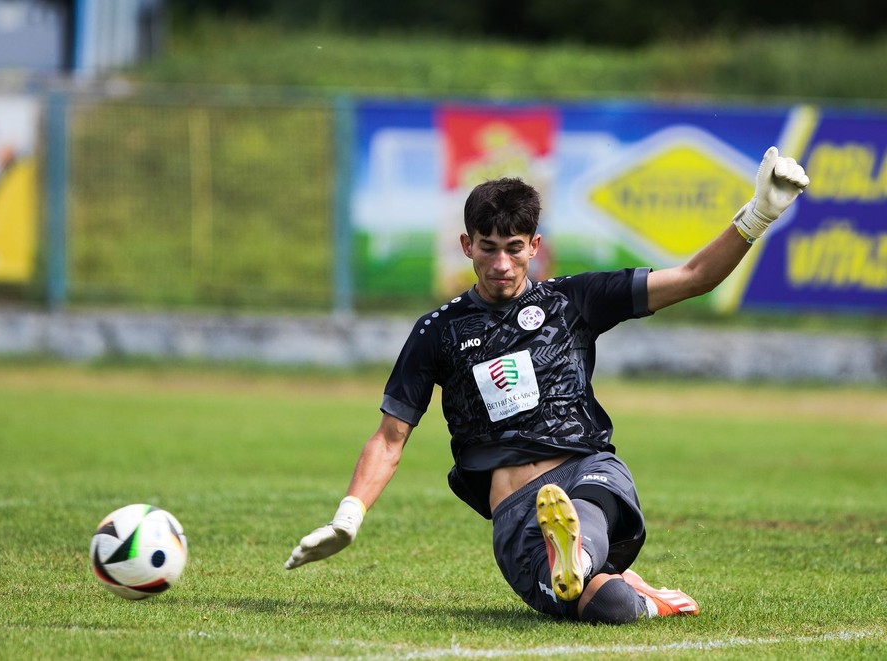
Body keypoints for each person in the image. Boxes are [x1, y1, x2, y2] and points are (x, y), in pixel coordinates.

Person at [285, 147, 810, 624]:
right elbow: (390, 437)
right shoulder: (438, 331)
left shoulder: (573, 300)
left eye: (514, 248)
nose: (500, 264)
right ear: (465, 244)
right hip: (516, 518)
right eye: (486, 248)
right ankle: (623, 585)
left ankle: (576, 552)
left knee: (583, 512)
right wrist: (348, 517)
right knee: (613, 609)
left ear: (535, 245)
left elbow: (694, 277)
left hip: (587, 470)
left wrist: (758, 214)